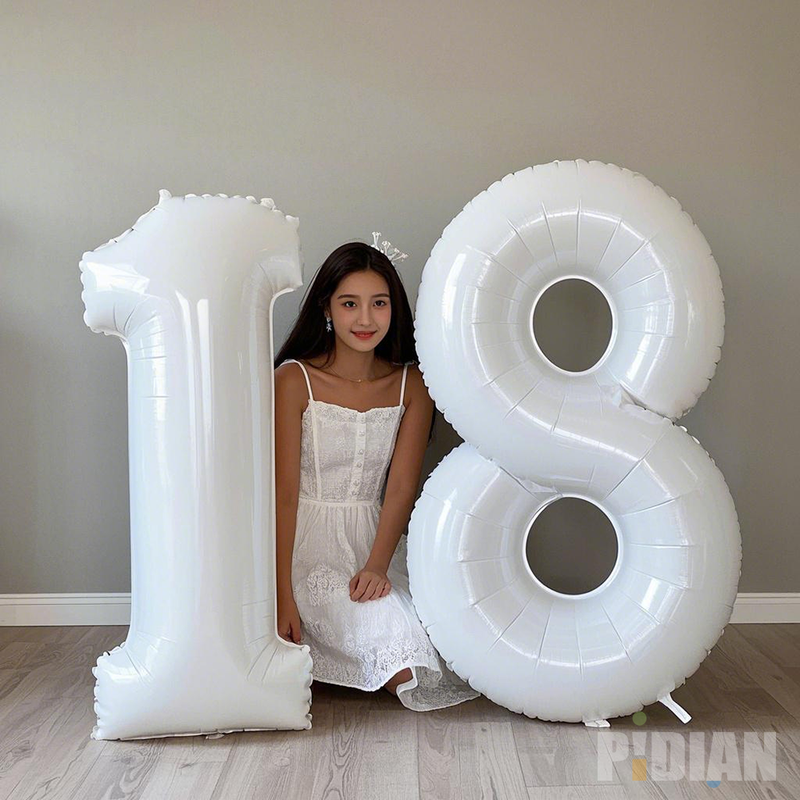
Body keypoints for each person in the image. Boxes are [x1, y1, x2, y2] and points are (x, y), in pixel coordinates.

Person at [273, 235, 480, 711]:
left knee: (434, 645)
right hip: (302, 548)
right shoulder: (293, 379)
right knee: (402, 666)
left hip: (374, 542)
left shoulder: (411, 384)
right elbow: (282, 494)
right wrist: (280, 594)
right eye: (350, 303)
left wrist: (377, 565)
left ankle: (332, 662)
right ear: (327, 307)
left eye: (379, 303)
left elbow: (402, 486)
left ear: (394, 308)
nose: (365, 319)